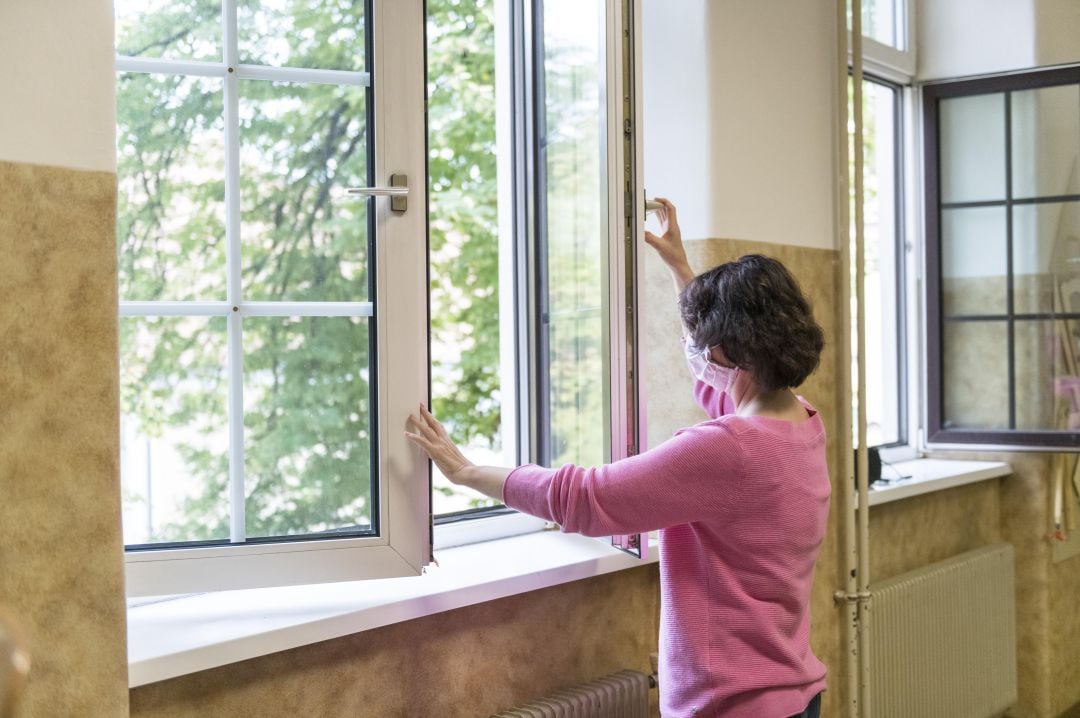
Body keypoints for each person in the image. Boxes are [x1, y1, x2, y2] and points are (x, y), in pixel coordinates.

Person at [406, 199, 829, 718]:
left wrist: (466, 472)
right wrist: (680, 268)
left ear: (727, 351)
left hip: (735, 705)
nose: (696, 353)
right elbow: (721, 386)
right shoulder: (801, 422)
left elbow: (587, 497)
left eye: (703, 343)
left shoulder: (726, 448)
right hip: (794, 693)